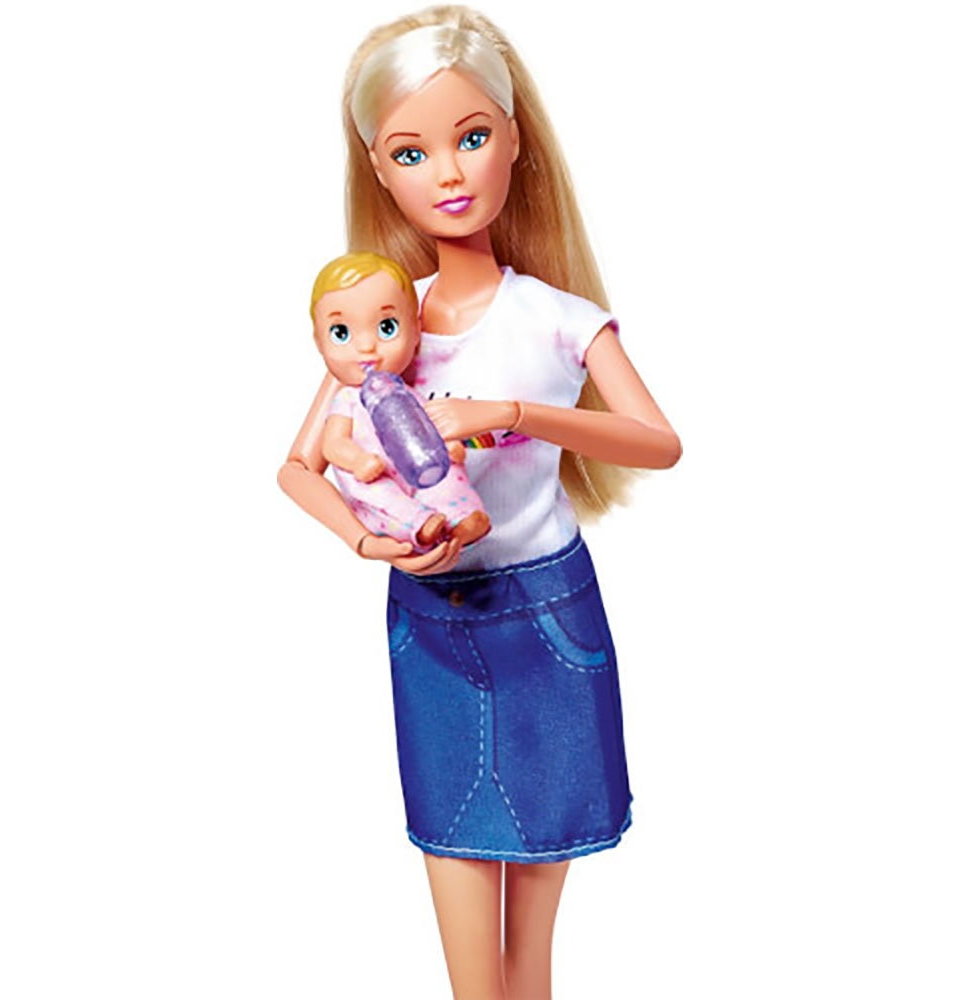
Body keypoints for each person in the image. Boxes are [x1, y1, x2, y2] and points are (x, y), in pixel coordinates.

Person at [278, 8, 682, 999]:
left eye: (470, 137)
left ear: (514, 141)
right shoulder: (382, 319)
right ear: (379, 171)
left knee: (529, 942)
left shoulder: (561, 320)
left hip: (546, 614)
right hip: (432, 617)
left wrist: (514, 414)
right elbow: (297, 466)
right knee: (461, 909)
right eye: (411, 152)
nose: (448, 175)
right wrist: (365, 542)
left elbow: (659, 442)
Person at [311, 250, 490, 552]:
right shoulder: (347, 399)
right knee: (379, 496)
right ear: (319, 342)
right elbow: (332, 443)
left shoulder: (406, 392)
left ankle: (462, 516)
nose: (366, 346)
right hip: (374, 473)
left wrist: (447, 445)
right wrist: (356, 460)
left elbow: (427, 424)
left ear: (416, 331)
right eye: (341, 333)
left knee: (447, 475)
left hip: (419, 463)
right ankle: (420, 525)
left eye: (387, 328)